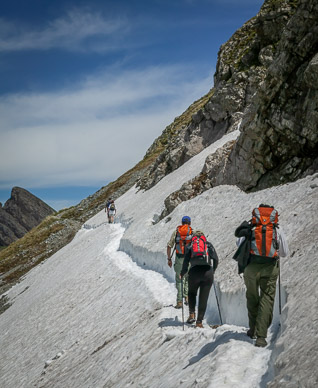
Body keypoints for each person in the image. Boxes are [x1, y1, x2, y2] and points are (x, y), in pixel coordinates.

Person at [235, 204, 289, 347]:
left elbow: (239, 243)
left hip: (251, 268)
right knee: (267, 298)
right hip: (270, 268)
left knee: (252, 296)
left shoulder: (251, 227)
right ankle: (261, 336)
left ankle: (253, 329)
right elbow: (284, 252)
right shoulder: (276, 229)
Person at [180, 230, 219, 328]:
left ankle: (192, 313)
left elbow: (185, 262)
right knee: (203, 298)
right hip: (207, 273)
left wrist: (183, 272)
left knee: (192, 293)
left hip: (194, 272)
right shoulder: (208, 245)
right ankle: (199, 322)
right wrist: (213, 270)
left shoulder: (190, 246)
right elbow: (216, 259)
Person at [167, 216, 193, 309]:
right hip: (189, 259)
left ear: (182, 223)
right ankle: (187, 297)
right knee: (187, 277)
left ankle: (179, 301)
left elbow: (169, 245)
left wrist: (169, 259)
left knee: (179, 279)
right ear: (189, 223)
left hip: (179, 258)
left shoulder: (177, 232)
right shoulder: (191, 232)